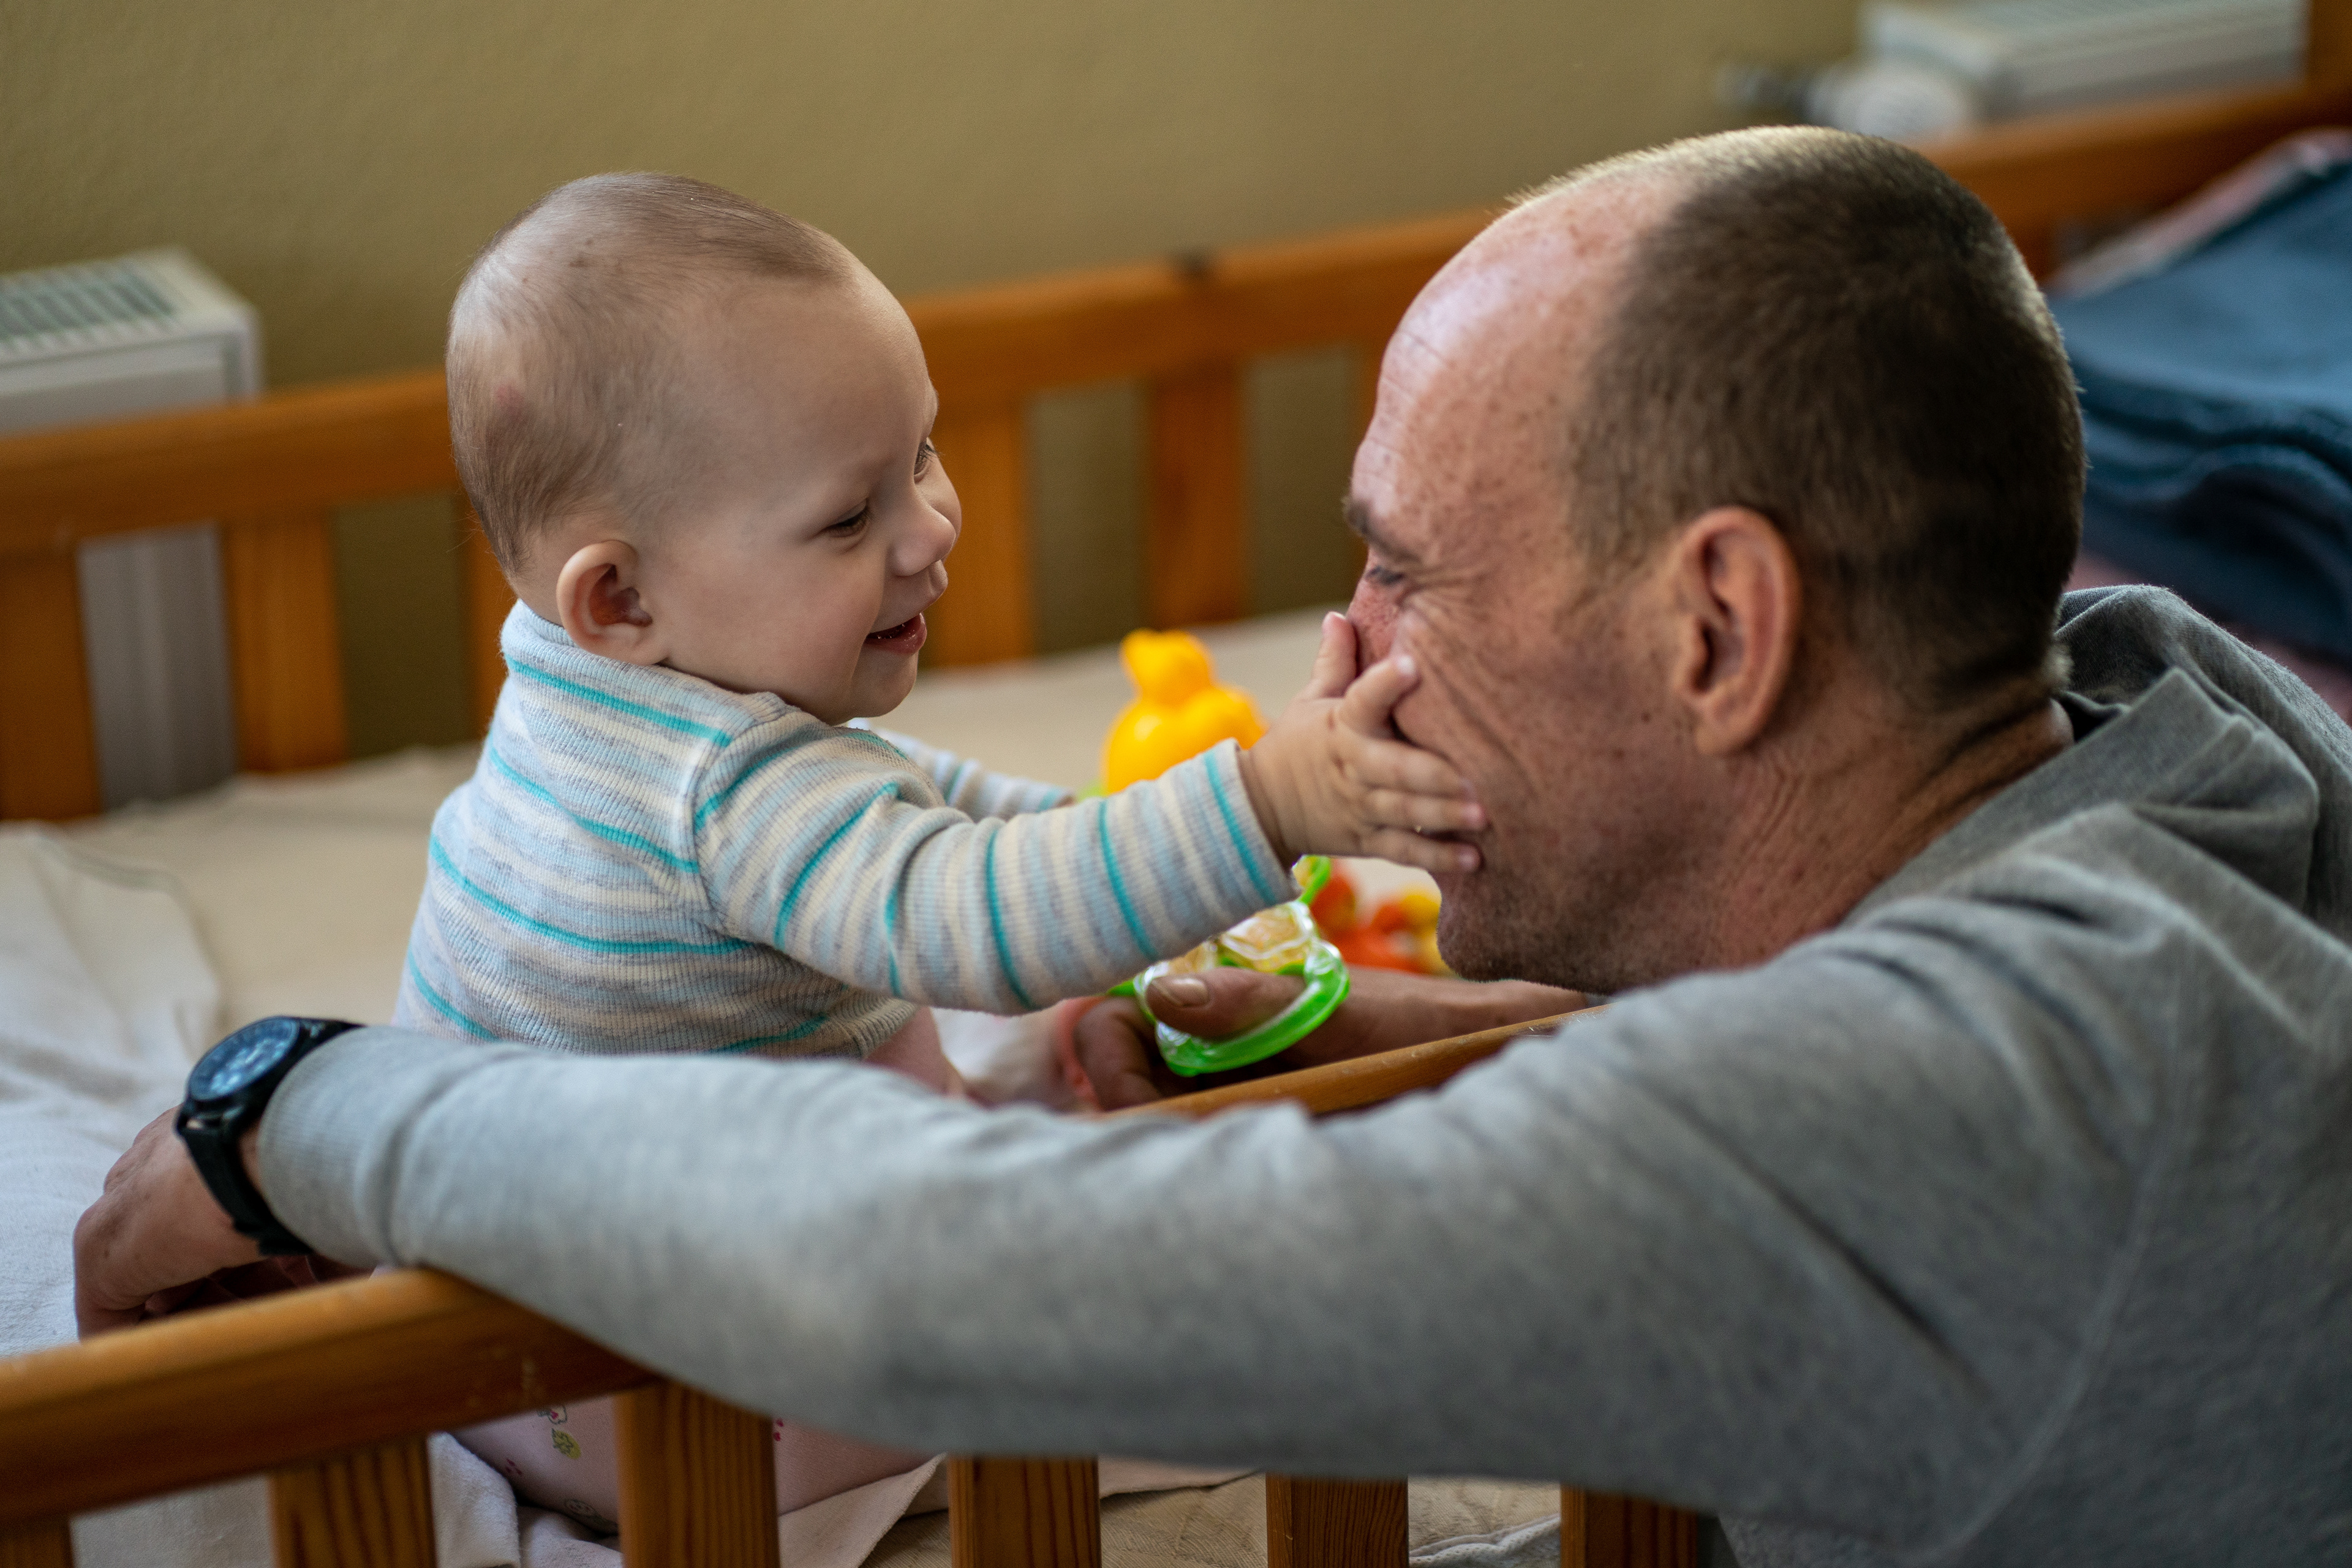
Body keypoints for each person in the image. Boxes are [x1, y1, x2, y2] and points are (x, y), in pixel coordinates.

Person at [77, 127, 2352, 1567]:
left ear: (1724, 631)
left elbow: (920, 1283)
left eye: (1407, 579)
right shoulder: (2186, 739)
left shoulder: (1973, 1097)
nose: (1346, 645)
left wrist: (308, 1098)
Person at [394, 170, 1487, 1518]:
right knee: (1231, 1278)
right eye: (851, 517)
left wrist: (1137, 845)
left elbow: (909, 797)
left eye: (920, 454)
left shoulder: (589, 680)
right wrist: (1260, 811)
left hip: (491, 1342)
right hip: (718, 1400)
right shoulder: (728, 786)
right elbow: (966, 917)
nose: (933, 524)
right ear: (622, 593)